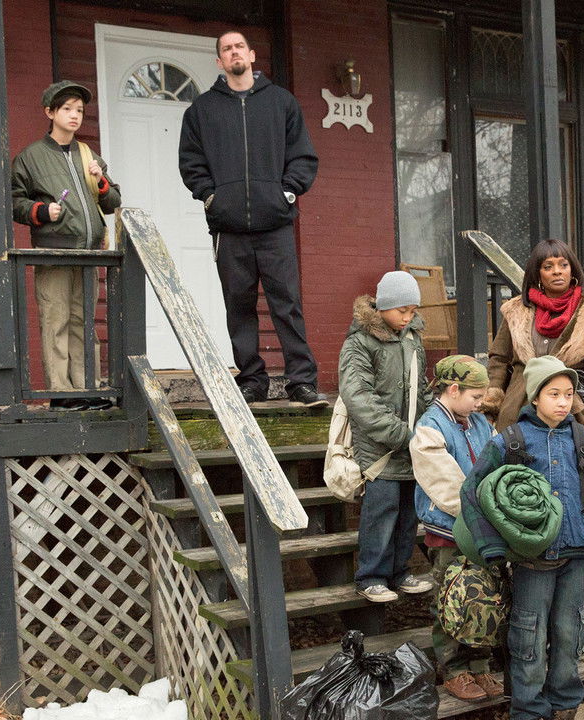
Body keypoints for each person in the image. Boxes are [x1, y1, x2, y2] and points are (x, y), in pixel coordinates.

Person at [459, 356, 584, 720]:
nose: (563, 402)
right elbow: (471, 490)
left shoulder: (581, 440)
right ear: (535, 396)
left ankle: (565, 703)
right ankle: (528, 708)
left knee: (570, 632)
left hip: (575, 554)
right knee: (528, 635)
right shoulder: (511, 440)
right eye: (553, 394)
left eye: (569, 394)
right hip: (532, 559)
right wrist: (493, 545)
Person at [178, 30, 324, 407]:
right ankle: (251, 381)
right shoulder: (202, 111)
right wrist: (212, 198)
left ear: (252, 55)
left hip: (275, 225)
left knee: (287, 304)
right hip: (229, 229)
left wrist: (285, 193)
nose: (234, 53)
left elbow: (303, 157)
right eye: (226, 49)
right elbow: (191, 163)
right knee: (239, 307)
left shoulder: (281, 102)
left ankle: (301, 382)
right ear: (219, 61)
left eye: (239, 47)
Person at [11, 81, 121, 410]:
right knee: (56, 320)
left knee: (83, 322)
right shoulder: (31, 157)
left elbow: (113, 201)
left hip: (88, 254)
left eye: (80, 111)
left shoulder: (89, 155)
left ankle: (88, 389)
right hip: (54, 253)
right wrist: (41, 211)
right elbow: (14, 202)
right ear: (50, 112)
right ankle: (61, 393)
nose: (75, 116)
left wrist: (100, 180)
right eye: (67, 109)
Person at [409, 355, 503, 702]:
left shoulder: (480, 423)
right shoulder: (429, 429)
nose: (480, 403)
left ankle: (480, 666)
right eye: (475, 396)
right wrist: (488, 511)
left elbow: (498, 464)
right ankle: (453, 669)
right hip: (450, 531)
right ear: (453, 389)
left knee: (486, 598)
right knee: (451, 599)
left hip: (485, 528)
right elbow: (447, 487)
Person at [339, 271, 434, 602]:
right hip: (379, 447)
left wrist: (431, 424)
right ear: (383, 306)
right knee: (381, 511)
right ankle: (371, 576)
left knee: (408, 513)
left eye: (413, 311)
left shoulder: (412, 338)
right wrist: (400, 434)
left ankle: (399, 572)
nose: (408, 317)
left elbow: (421, 387)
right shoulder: (359, 342)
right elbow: (359, 398)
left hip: (411, 442)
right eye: (402, 311)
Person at [482, 238, 584, 435]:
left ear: (572, 270)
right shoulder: (517, 310)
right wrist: (493, 401)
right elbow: (499, 359)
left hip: (568, 420)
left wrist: (572, 397)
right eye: (548, 267)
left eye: (563, 265)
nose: (557, 271)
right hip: (517, 414)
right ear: (538, 273)